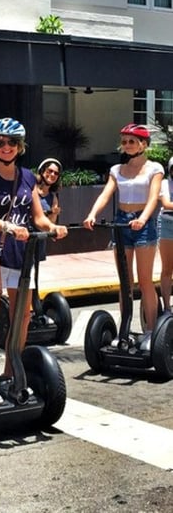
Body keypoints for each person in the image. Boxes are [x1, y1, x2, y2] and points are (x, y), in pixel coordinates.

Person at [0, 117, 68, 402]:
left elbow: (37, 216)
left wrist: (52, 227)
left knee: (22, 315)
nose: (6, 147)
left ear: (20, 146)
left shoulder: (27, 176)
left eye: (12, 142)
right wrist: (8, 227)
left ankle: (11, 373)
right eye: (0, 142)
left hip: (20, 253)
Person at [83, 123, 164, 350]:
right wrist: (92, 214)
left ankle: (150, 332)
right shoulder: (117, 170)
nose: (127, 145)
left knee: (145, 280)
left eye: (132, 141)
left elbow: (153, 198)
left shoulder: (154, 169)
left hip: (143, 223)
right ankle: (125, 330)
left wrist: (143, 219)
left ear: (143, 144)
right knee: (125, 282)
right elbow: (106, 194)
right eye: (125, 141)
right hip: (121, 221)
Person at [35, 157, 63, 261]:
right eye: (49, 171)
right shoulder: (31, 189)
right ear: (42, 171)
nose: (52, 175)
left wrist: (54, 213)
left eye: (56, 173)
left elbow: (52, 222)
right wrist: (49, 212)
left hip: (40, 238)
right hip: (26, 236)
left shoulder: (53, 196)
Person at [158, 156, 173, 314]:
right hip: (168, 224)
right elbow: (167, 204)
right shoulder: (165, 183)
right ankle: (167, 307)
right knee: (167, 268)